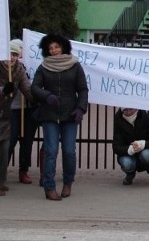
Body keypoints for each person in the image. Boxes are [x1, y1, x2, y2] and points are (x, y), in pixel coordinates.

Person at [31, 34, 88, 201]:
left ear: (63, 47)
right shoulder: (43, 67)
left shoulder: (75, 66)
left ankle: (68, 182)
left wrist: (80, 109)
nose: (53, 50)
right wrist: (47, 96)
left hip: (70, 115)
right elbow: (35, 87)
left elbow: (83, 89)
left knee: (69, 151)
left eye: (56, 47)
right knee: (51, 151)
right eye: (50, 48)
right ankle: (49, 187)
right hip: (49, 115)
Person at [1, 39, 35, 194]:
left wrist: (39, 99)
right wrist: (2, 90)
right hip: (5, 111)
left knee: (15, 144)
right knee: (6, 146)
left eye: (15, 54)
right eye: (10, 54)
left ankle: (10, 177)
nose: (12, 58)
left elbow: (27, 88)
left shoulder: (19, 69)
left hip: (15, 112)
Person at [112, 107, 149, 187]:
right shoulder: (118, 120)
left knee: (147, 154)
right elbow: (116, 147)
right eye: (125, 110)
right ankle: (130, 174)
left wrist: (143, 144)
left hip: (145, 150)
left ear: (136, 108)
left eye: (131, 109)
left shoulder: (147, 118)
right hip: (128, 153)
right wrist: (130, 149)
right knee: (126, 162)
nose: (128, 112)